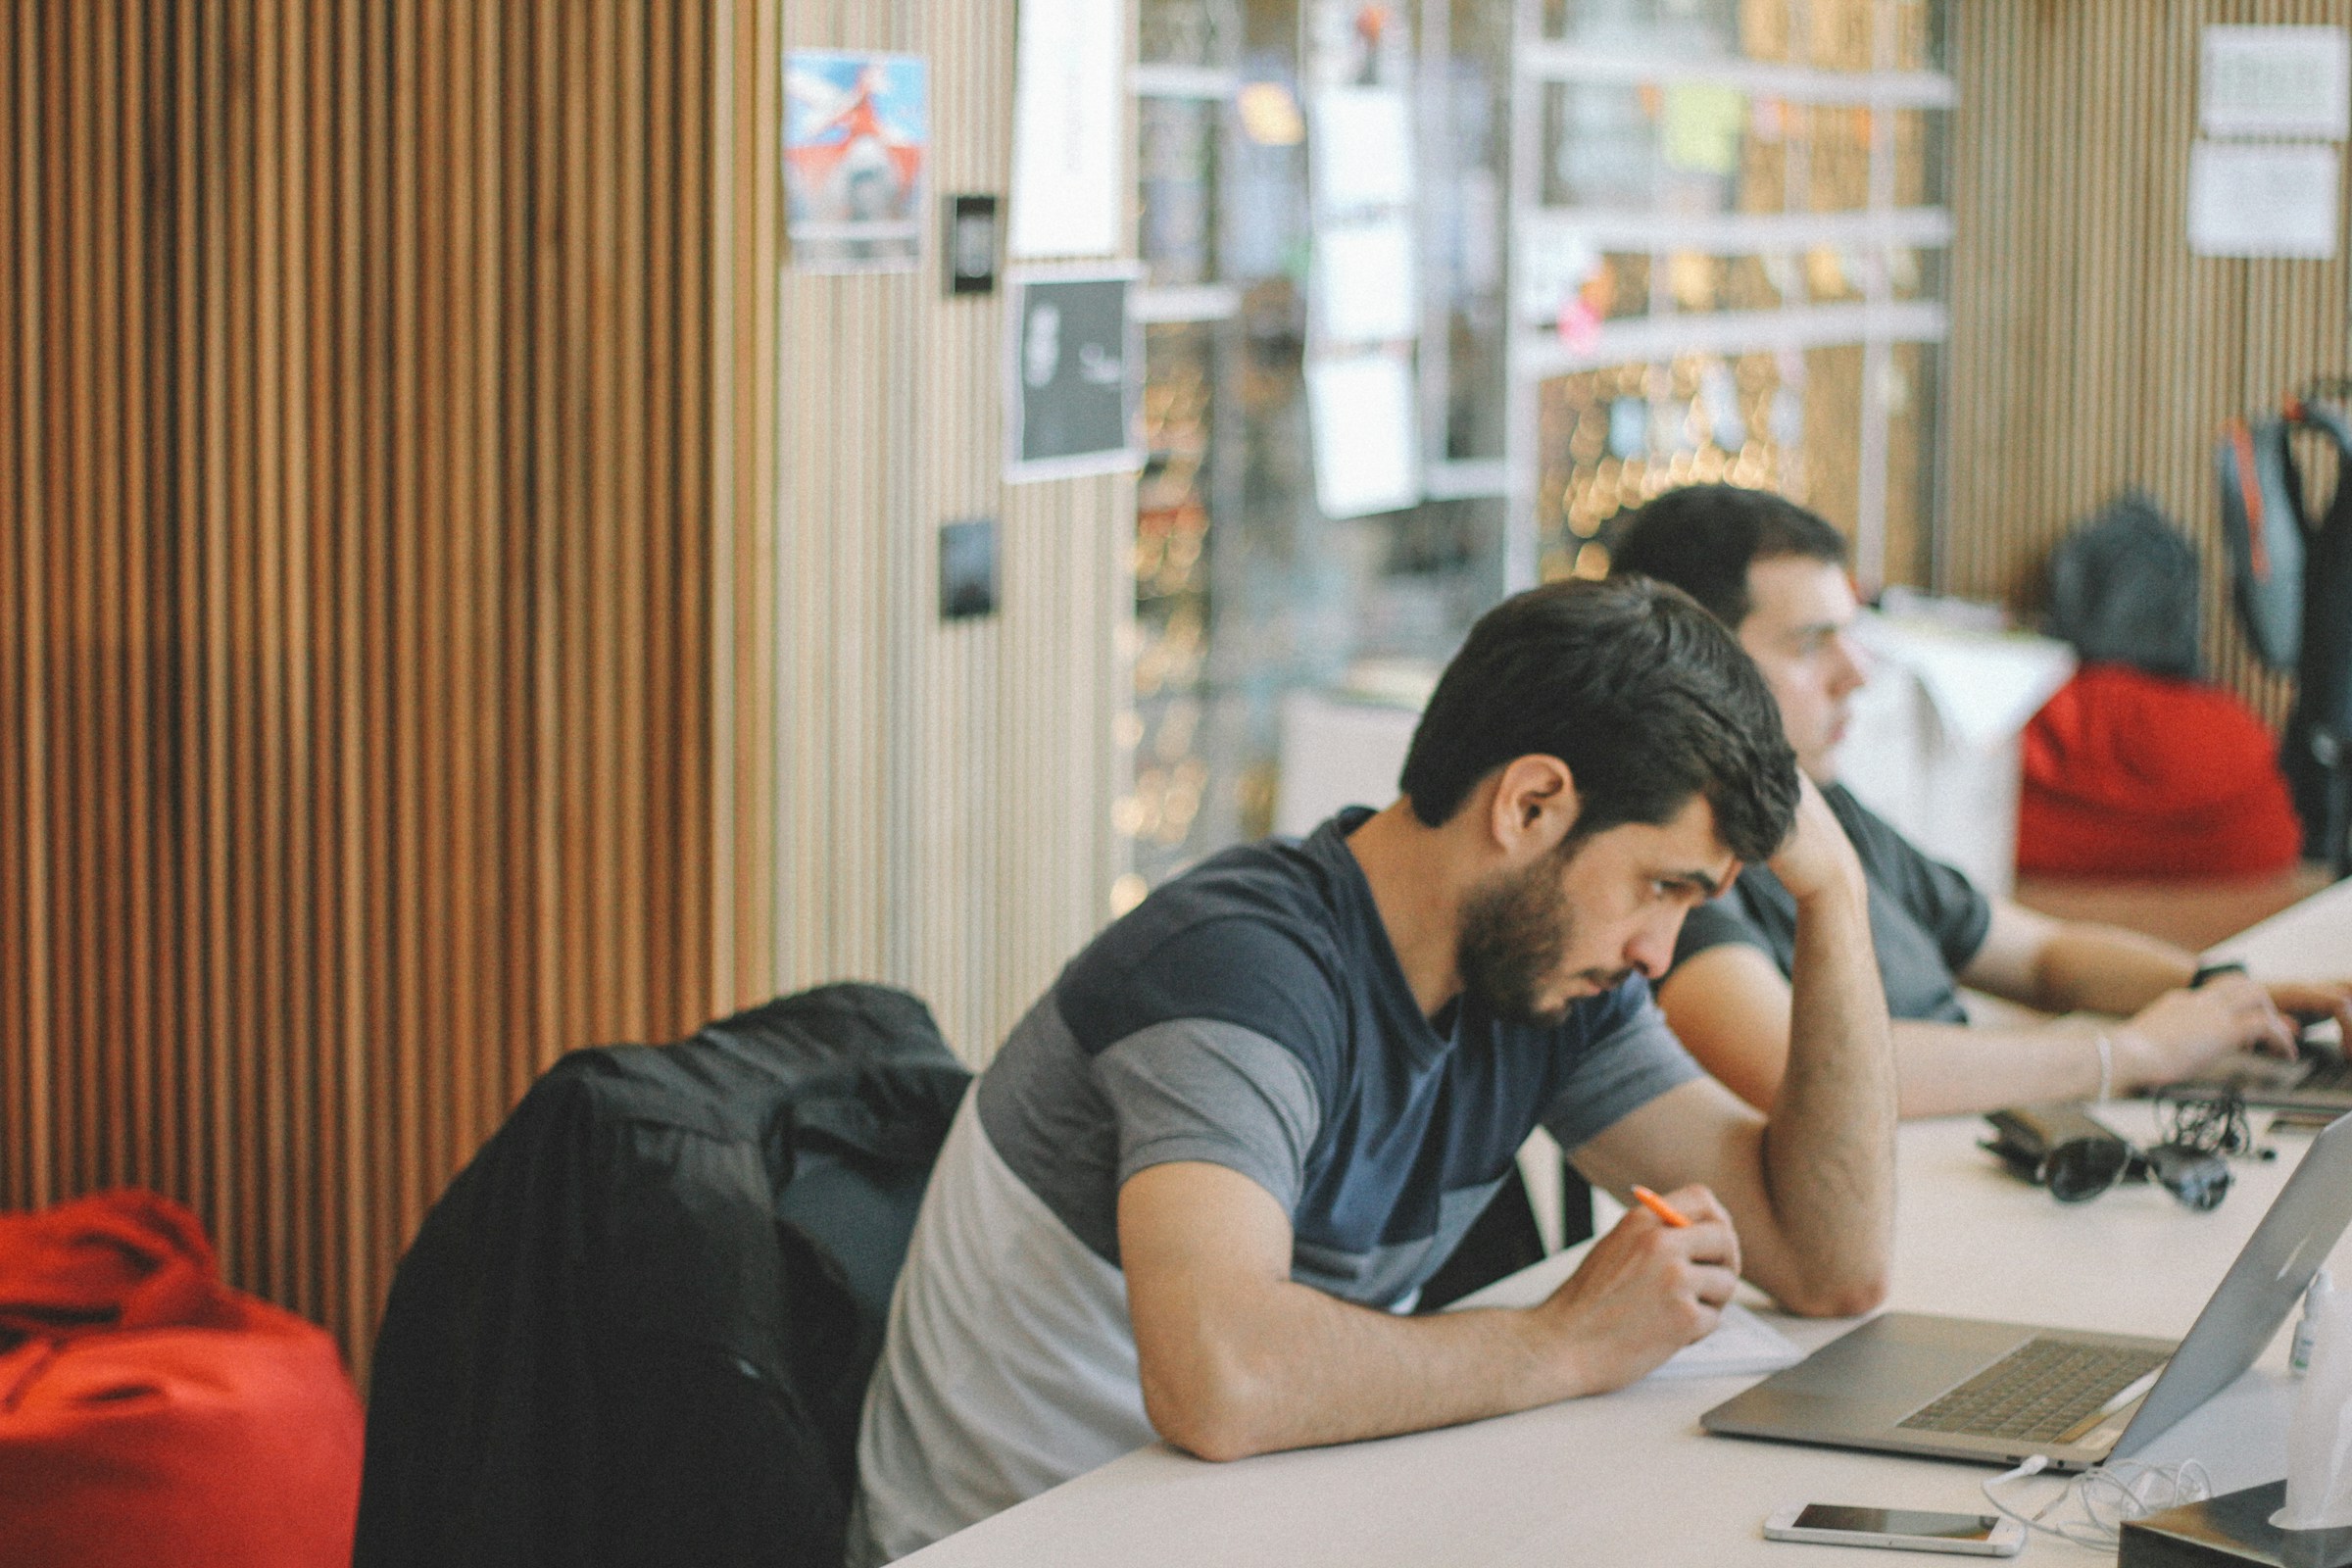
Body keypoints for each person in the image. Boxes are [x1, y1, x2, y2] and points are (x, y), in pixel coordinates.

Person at [847, 576, 1896, 1565]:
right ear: (1530, 805)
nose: (1657, 954)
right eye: (1660, 886)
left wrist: (1834, 898)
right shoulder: (1233, 969)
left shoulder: (1540, 982)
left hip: (1248, 1525)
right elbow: (1223, 1376)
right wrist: (1564, 1342)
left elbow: (1826, 1260)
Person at [1607, 483, 2352, 1117]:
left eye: (1853, 637)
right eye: (1811, 645)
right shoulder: (1679, 860)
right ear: (1698, 661)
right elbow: (1791, 1068)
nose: (1855, 675)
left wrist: (2231, 995)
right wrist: (2130, 1053)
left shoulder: (1819, 803)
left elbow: (2037, 957)